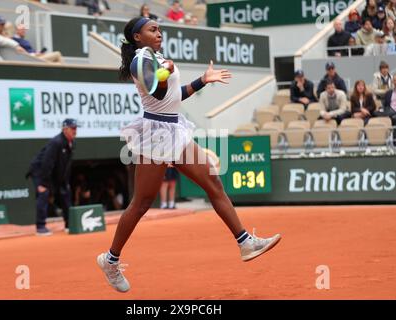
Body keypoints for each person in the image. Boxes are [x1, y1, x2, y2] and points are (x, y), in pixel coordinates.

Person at [96, 17, 281, 293]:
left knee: (213, 182)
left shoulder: (156, 57)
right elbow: (157, 95)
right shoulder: (140, 60)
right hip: (156, 133)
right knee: (142, 203)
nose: (159, 33)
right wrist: (164, 72)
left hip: (174, 128)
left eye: (159, 28)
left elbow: (173, 96)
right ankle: (110, 260)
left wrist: (202, 81)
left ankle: (245, 242)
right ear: (137, 37)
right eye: (152, 29)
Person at [26, 118, 78, 236]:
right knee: (43, 193)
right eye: (73, 128)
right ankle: (40, 227)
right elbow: (47, 163)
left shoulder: (72, 143)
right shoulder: (56, 142)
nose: (75, 131)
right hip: (40, 170)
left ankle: (69, 224)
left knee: (65, 192)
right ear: (65, 129)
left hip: (54, 172)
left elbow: (65, 165)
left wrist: (65, 182)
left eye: (76, 128)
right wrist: (43, 183)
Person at [377, 73, 396, 142]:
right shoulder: (389, 93)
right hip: (389, 111)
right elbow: (386, 105)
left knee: (394, 117)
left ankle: (395, 141)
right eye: (395, 80)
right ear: (393, 82)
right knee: (375, 113)